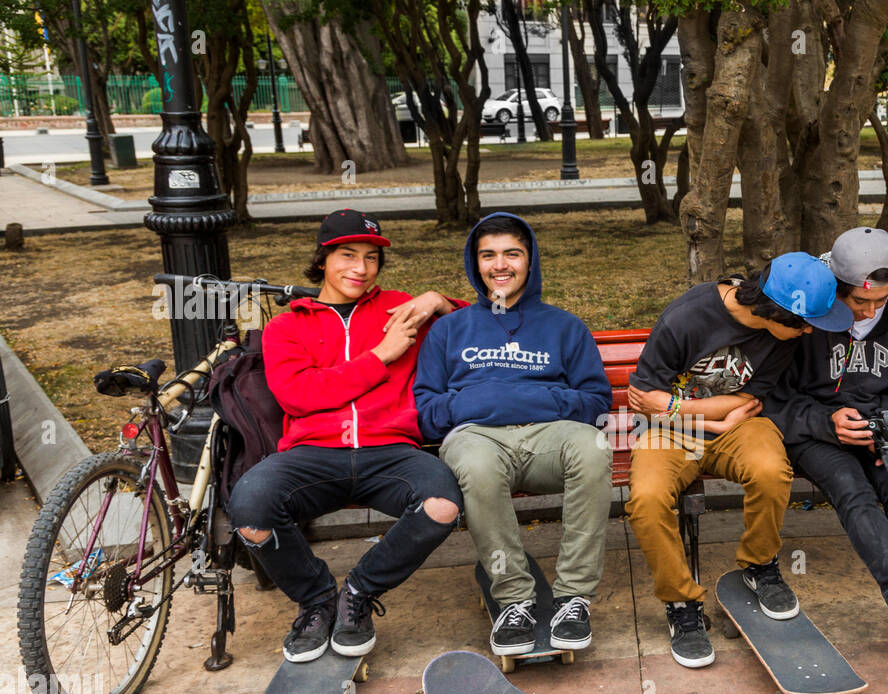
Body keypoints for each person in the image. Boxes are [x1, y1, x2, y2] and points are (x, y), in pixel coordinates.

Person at [228, 209, 466, 663]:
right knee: (250, 511)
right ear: (322, 260)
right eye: (347, 255)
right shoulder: (288, 325)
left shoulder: (400, 308)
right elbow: (299, 396)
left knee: (442, 505)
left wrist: (439, 300)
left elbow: (480, 329)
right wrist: (381, 356)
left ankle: (356, 593)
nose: (360, 268)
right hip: (312, 455)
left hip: (391, 451)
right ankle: (316, 599)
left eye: (372, 258)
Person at [626, 252, 852, 669]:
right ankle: (680, 603)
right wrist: (704, 420)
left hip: (739, 422)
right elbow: (644, 401)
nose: (808, 333)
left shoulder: (784, 338)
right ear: (774, 312)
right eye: (804, 324)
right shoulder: (686, 318)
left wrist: (680, 406)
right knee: (647, 497)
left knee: (770, 471)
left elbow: (750, 399)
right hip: (671, 430)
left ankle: (759, 564)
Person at [765, 228, 888, 694]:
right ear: (835, 285)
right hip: (818, 433)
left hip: (879, 423)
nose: (871, 312)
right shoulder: (807, 307)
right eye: (859, 302)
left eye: (881, 300)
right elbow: (771, 399)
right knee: (854, 493)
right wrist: (824, 420)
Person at [413, 213, 612, 657]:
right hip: (477, 438)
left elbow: (596, 402)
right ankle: (514, 601)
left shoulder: (564, 327)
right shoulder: (449, 330)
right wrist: (481, 406)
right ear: (475, 263)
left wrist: (511, 400)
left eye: (511, 254)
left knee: (594, 446)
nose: (500, 264)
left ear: (530, 260)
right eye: (488, 255)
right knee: (479, 468)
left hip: (551, 439)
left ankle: (574, 598)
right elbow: (427, 414)